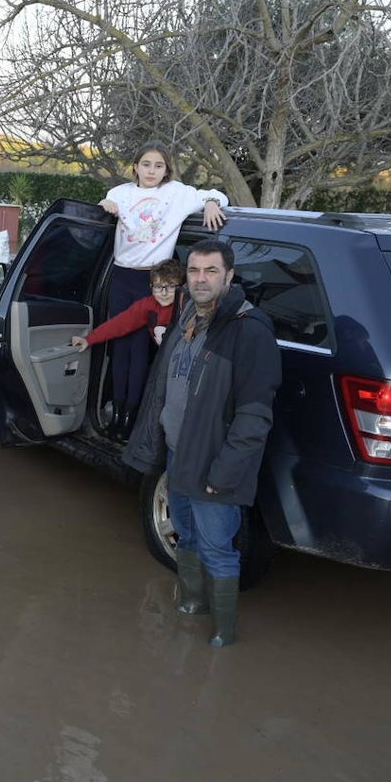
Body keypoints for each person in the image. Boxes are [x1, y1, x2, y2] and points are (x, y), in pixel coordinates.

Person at [123, 239, 281, 647]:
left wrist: (226, 471)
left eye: (211, 271)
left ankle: (224, 631)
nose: (200, 279)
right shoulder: (188, 315)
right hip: (179, 453)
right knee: (187, 535)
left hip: (215, 463)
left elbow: (255, 415)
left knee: (218, 547)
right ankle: (194, 601)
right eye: (194, 271)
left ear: (229, 276)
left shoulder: (250, 330)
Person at [99, 140, 228, 439]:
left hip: (154, 284)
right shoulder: (120, 193)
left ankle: (131, 418)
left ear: (167, 169)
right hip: (121, 278)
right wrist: (107, 206)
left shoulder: (176, 194)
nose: (151, 171)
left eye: (158, 166)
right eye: (146, 164)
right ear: (135, 166)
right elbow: (106, 205)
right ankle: (116, 414)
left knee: (141, 350)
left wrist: (211, 203)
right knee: (120, 348)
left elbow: (218, 194)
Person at [70, 258, 185, 440]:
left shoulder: (184, 307)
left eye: (170, 287)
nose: (163, 293)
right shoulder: (148, 305)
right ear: (151, 286)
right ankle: (122, 418)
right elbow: (120, 323)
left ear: (181, 287)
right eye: (158, 287)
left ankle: (147, 431)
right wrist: (88, 339)